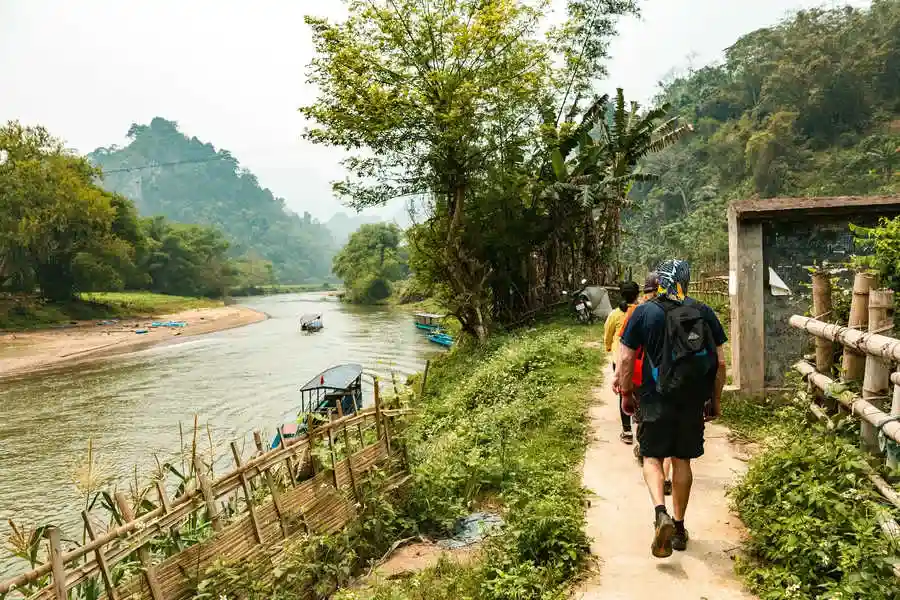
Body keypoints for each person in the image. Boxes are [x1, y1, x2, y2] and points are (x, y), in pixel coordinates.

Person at [615, 259, 727, 558]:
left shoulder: (644, 311)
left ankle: (660, 512)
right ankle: (678, 528)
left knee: (652, 457)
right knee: (682, 461)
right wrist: (714, 400)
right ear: (685, 282)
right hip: (691, 399)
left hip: (654, 398)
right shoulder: (703, 311)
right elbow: (721, 362)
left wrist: (626, 393)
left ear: (659, 281)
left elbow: (625, 359)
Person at [619, 273, 673, 496]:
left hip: (643, 377)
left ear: (647, 291)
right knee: (671, 431)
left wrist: (623, 388)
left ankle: (645, 448)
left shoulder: (640, 312)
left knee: (645, 418)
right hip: (676, 378)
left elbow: (625, 355)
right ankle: (668, 476)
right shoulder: (681, 311)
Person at [604, 281, 641, 444]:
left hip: (619, 359)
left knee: (624, 393)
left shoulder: (614, 314)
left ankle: (627, 431)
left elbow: (608, 334)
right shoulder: (641, 312)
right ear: (637, 294)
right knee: (639, 393)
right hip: (638, 358)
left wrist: (608, 347)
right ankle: (641, 430)